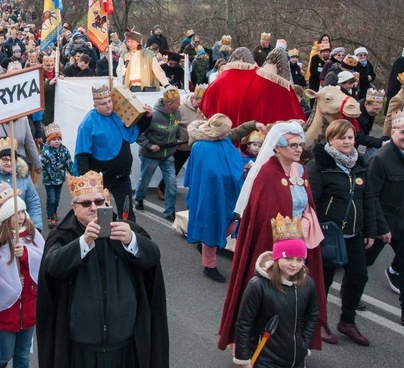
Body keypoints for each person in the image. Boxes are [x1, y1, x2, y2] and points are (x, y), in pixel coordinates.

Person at [36, 170, 169, 368]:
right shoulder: (62, 236)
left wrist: (132, 240)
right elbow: (52, 266)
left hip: (125, 346)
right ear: (74, 207)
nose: (93, 208)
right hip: (81, 350)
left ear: (107, 200)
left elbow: (152, 258)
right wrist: (84, 242)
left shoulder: (126, 229)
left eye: (98, 202)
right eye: (86, 203)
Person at [218, 122, 328, 351]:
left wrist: (306, 222)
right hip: (272, 247)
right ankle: (256, 344)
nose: (299, 150)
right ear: (277, 148)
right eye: (292, 145)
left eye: (300, 145)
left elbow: (307, 204)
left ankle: (290, 343)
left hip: (299, 246)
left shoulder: (301, 170)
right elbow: (264, 214)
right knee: (270, 296)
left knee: (296, 296)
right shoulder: (267, 173)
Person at [307, 120, 375, 345]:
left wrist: (371, 231)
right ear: (330, 140)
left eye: (350, 137)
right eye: (342, 138)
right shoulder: (319, 166)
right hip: (328, 234)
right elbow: (312, 202)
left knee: (359, 276)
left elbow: (367, 199)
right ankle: (319, 322)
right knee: (323, 282)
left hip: (354, 234)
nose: (347, 142)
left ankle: (347, 321)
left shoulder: (360, 164)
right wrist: (313, 232)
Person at [185, 114, 262, 282]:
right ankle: (209, 265)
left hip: (228, 193)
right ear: (218, 131)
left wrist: (254, 123)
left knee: (230, 226)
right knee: (212, 226)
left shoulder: (223, 139)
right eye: (226, 130)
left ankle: (206, 244)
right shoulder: (201, 147)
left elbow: (236, 133)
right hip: (210, 195)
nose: (229, 133)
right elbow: (205, 174)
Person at [234, 215, 319, 368]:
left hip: (295, 361)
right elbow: (244, 324)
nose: (294, 265)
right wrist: (244, 359)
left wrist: (303, 345)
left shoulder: (307, 284)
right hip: (265, 360)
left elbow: (312, 315)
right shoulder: (258, 285)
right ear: (277, 257)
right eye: (288, 258)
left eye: (299, 260)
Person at [365, 109, 404, 328]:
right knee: (362, 264)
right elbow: (371, 196)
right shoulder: (381, 158)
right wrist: (380, 227)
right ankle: (348, 309)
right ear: (393, 131)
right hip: (383, 221)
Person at [0, 182, 44, 368]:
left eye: (22, 212)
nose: (19, 217)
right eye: (14, 214)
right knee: (4, 354)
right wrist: (11, 280)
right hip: (4, 310)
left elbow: (43, 262)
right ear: (4, 218)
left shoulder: (32, 235)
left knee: (23, 355)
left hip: (28, 305)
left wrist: (25, 255)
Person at [74, 84, 152, 221]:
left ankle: (129, 241)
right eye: (103, 104)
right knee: (100, 215)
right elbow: (82, 152)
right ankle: (100, 241)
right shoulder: (88, 123)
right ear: (95, 106)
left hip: (122, 176)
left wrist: (147, 117)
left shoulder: (118, 115)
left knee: (127, 213)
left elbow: (133, 131)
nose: (108, 105)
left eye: (110, 101)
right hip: (100, 179)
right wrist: (86, 180)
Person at [134, 86, 181, 220]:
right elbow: (138, 134)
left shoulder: (177, 113)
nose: (180, 104)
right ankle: (139, 198)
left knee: (171, 183)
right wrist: (149, 145)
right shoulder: (153, 116)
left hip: (168, 155)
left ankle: (169, 211)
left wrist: (177, 137)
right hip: (151, 156)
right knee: (145, 179)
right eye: (178, 103)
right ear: (169, 104)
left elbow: (176, 127)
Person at [0, 137, 43, 233]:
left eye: (12, 159)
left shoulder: (23, 175)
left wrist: (36, 226)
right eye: (4, 159)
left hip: (20, 230)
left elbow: (33, 201)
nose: (9, 163)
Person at [40, 123, 74, 229]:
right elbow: (41, 164)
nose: (57, 141)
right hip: (49, 180)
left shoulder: (64, 150)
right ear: (49, 140)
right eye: (54, 139)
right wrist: (38, 167)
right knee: (51, 198)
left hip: (59, 179)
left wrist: (74, 174)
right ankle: (51, 217)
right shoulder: (45, 151)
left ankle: (54, 211)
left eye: (59, 139)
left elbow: (69, 162)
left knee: (57, 198)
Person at [356, 88, 385, 161]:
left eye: (379, 109)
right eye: (375, 109)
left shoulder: (369, 112)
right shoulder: (356, 114)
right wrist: (381, 142)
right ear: (366, 104)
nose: (377, 112)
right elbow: (359, 137)